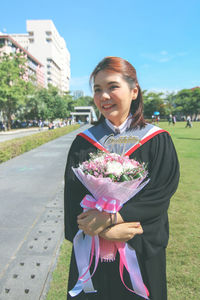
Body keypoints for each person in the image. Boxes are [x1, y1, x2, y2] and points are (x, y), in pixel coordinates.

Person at [64, 57, 180, 300]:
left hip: (138, 245)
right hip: (94, 249)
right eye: (97, 89)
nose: (103, 96)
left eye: (112, 87)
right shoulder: (83, 142)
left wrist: (114, 219)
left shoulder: (156, 139)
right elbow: (73, 197)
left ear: (134, 91)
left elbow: (160, 194)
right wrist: (103, 231)